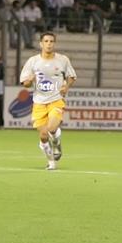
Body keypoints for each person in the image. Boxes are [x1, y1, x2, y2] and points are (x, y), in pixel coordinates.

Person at [19, 32, 77, 170]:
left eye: (51, 41)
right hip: (39, 103)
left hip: (56, 100)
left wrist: (66, 87)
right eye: (46, 41)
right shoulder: (33, 61)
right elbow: (25, 84)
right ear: (41, 44)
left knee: (51, 128)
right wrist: (30, 80)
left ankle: (56, 143)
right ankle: (51, 162)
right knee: (44, 136)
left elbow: (72, 76)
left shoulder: (62, 60)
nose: (49, 44)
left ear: (54, 43)